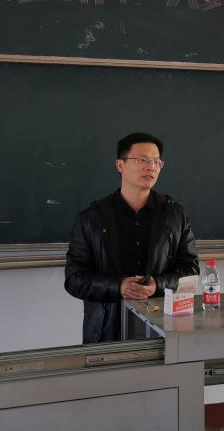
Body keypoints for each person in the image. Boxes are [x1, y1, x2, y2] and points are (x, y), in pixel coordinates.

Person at [64, 132, 199, 343]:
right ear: (120, 165)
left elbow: (191, 272)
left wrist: (157, 284)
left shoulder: (175, 215)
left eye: (156, 161)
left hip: (162, 329)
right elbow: (74, 279)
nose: (150, 167)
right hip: (106, 331)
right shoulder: (92, 218)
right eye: (142, 160)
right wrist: (118, 286)